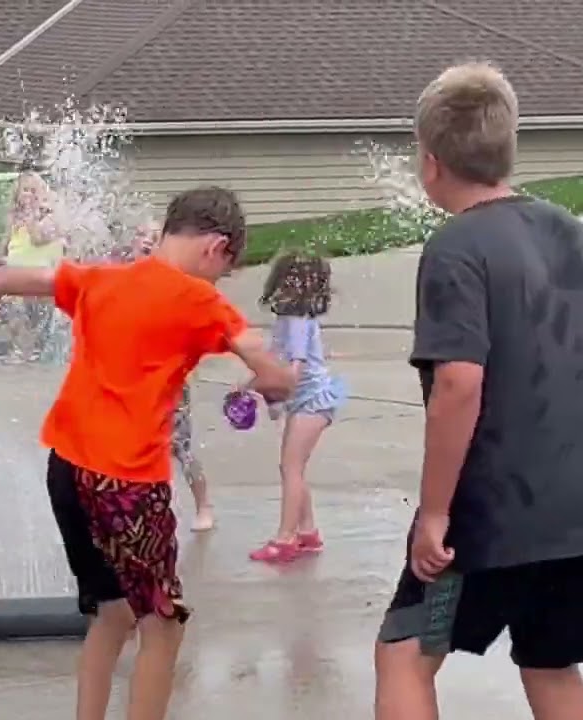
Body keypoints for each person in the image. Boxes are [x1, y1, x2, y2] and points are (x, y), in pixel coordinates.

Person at [0, 186, 296, 720]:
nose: (220, 280)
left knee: (111, 615)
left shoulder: (101, 278)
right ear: (215, 247)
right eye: (225, 268)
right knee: (163, 625)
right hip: (127, 482)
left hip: (66, 468)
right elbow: (274, 374)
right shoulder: (204, 302)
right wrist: (274, 381)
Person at [375, 62, 583, 720]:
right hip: (572, 515)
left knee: (407, 652)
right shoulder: (569, 233)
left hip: (484, 524)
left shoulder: (456, 247)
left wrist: (435, 515)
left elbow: (460, 383)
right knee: (551, 663)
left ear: (431, 162)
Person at [248, 252, 344, 562]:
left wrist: (268, 389)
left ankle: (285, 539)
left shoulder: (297, 320)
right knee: (294, 467)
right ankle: (307, 532)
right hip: (314, 397)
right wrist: (252, 383)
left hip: (313, 399)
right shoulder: (289, 319)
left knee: (291, 467)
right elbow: (274, 360)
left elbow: (294, 369)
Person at [129, 224, 215, 531]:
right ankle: (145, 511)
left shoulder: (174, 282)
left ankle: (203, 505)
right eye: (143, 239)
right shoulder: (127, 281)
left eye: (155, 239)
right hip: (136, 382)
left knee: (180, 447)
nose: (148, 244)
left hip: (171, 383)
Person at [0, 171, 63, 358]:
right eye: (26, 191)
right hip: (17, 275)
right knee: (13, 312)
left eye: (35, 191)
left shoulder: (49, 218)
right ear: (17, 195)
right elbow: (5, 246)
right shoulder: (14, 220)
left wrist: (33, 216)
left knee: (41, 317)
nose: (30, 195)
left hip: (42, 275)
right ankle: (20, 348)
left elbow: (38, 238)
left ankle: (41, 348)